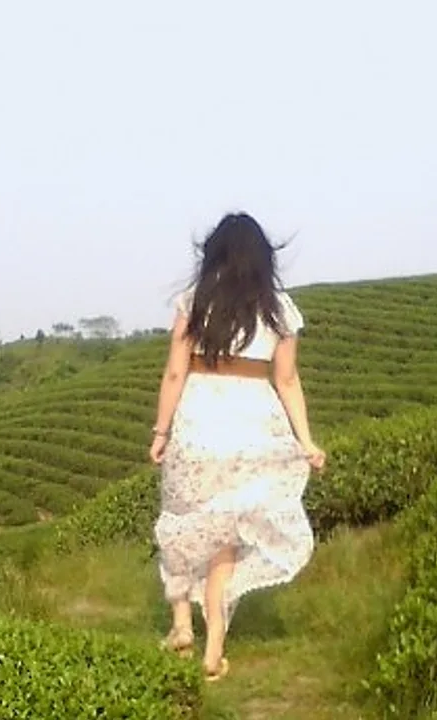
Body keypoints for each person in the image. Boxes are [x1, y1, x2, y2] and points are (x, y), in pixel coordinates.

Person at [149, 212, 326, 683]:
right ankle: (213, 650)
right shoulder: (278, 308)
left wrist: (161, 432)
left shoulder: (194, 301)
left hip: (198, 420)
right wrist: (306, 441)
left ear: (214, 254)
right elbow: (287, 380)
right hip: (252, 426)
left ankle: (181, 624)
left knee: (183, 521)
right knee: (225, 538)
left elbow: (175, 372)